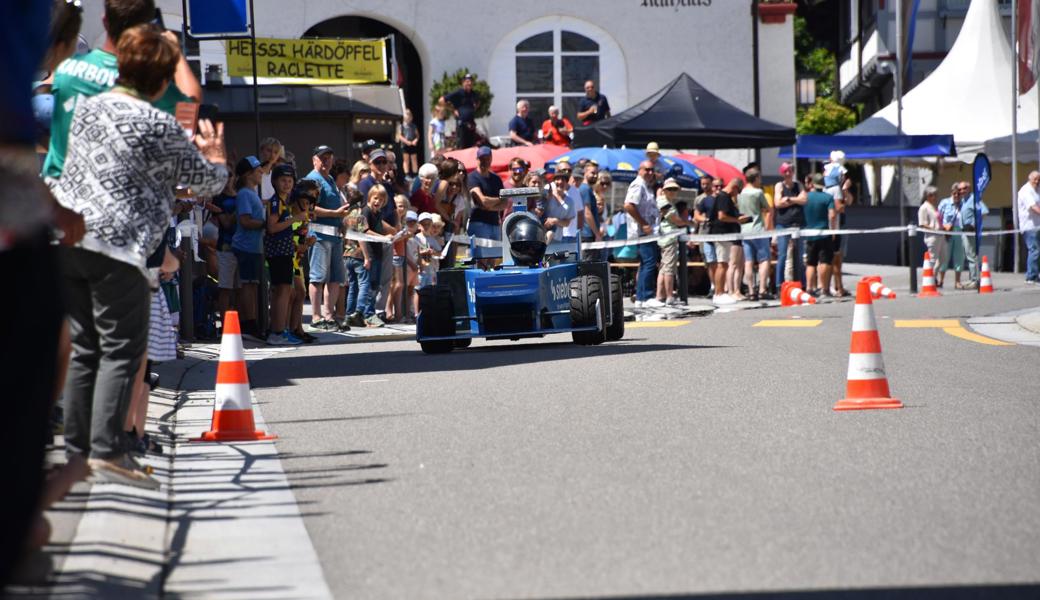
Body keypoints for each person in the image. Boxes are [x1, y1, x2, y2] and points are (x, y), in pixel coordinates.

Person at [51, 24, 227, 489]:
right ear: (161, 80)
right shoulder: (158, 123)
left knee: (87, 349)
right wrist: (216, 156)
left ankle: (79, 451)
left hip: (73, 238)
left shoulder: (88, 109)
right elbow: (208, 184)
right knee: (122, 351)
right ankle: (109, 450)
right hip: (123, 248)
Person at [42, 0, 201, 181]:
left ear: (105, 21)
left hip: (63, 194)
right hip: (121, 197)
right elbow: (191, 104)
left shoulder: (67, 71)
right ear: (148, 29)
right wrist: (175, 51)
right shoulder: (150, 84)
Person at [305, 145, 348, 329]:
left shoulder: (330, 178)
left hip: (335, 235)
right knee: (318, 277)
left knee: (335, 278)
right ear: (314, 160)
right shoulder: (312, 180)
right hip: (319, 235)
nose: (326, 161)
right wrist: (334, 213)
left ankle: (329, 316)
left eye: (329, 157)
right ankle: (316, 317)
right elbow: (309, 207)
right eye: (322, 158)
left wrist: (342, 222)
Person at [264, 164, 303, 345]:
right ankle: (277, 332)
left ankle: (280, 330)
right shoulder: (276, 202)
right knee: (282, 290)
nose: (287, 184)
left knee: (284, 290)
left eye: (290, 181)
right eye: (283, 180)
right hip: (278, 251)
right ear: (274, 181)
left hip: (284, 250)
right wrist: (295, 218)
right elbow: (272, 227)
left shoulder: (283, 201)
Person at [231, 156, 266, 340]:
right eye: (257, 170)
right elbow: (245, 220)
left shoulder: (251, 193)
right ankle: (248, 324)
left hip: (253, 247)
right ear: (247, 174)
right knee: (247, 285)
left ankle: (251, 323)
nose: (261, 173)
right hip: (246, 247)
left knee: (252, 285)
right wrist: (264, 224)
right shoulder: (245, 193)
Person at [356, 186, 396, 326]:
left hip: (378, 253)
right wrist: (383, 237)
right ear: (369, 197)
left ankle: (369, 313)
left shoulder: (378, 213)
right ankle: (367, 314)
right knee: (370, 286)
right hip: (370, 254)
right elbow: (363, 230)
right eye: (375, 198)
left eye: (381, 199)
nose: (378, 201)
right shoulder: (365, 211)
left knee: (375, 285)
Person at [624, 160, 659, 306]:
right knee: (649, 263)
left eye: (652, 170)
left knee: (647, 263)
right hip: (643, 232)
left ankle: (641, 297)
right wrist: (644, 224)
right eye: (647, 169)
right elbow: (628, 205)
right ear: (640, 170)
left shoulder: (646, 186)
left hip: (649, 231)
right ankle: (645, 297)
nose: (650, 172)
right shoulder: (638, 184)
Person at [467, 146, 506, 266]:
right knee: (481, 258)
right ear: (477, 159)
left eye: (487, 158)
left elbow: (504, 203)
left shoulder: (496, 179)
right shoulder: (472, 177)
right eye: (482, 158)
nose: (485, 161)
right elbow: (482, 200)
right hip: (479, 223)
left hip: (494, 223)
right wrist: (498, 200)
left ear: (491, 159)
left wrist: (490, 206)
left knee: (493, 258)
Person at [649, 178, 686, 307]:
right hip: (668, 238)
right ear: (664, 190)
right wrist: (687, 223)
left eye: (674, 189)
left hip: (664, 237)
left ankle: (660, 295)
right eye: (669, 189)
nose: (672, 191)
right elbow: (675, 220)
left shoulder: (663, 201)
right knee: (669, 268)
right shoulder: (665, 202)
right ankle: (670, 296)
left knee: (664, 268)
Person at [713, 178, 750, 304]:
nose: (737, 194)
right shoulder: (723, 197)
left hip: (727, 235)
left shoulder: (726, 198)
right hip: (721, 234)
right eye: (737, 191)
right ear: (734, 187)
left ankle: (720, 292)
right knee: (722, 264)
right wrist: (737, 220)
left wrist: (738, 216)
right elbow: (721, 216)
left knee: (724, 264)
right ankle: (718, 293)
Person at [738, 169, 773, 301]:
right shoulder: (758, 192)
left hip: (745, 229)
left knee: (748, 261)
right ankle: (762, 289)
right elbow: (766, 208)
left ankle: (751, 290)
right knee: (764, 260)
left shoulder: (741, 193)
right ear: (756, 178)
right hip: (757, 228)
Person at [772, 162, 806, 288]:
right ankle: (779, 285)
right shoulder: (779, 185)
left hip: (798, 224)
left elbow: (804, 200)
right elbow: (777, 203)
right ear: (782, 172)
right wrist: (796, 200)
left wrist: (789, 199)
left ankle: (802, 284)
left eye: (790, 171)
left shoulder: (799, 185)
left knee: (800, 255)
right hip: (783, 224)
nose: (788, 173)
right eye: (785, 171)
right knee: (782, 255)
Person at [803, 174, 837, 297]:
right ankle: (824, 288)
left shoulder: (806, 197)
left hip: (809, 234)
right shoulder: (828, 198)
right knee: (824, 261)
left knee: (810, 263)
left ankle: (809, 288)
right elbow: (832, 215)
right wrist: (833, 230)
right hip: (824, 233)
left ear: (812, 184)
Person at [937, 182, 968, 288]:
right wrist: (944, 226)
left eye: (958, 194)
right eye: (954, 193)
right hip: (947, 232)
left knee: (959, 257)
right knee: (944, 257)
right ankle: (941, 280)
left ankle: (957, 282)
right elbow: (938, 218)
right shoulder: (944, 203)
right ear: (951, 193)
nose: (956, 196)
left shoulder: (964, 204)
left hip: (959, 231)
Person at [959, 179, 989, 288]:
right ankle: (972, 278)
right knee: (969, 256)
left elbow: (984, 212)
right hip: (964, 231)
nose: (962, 191)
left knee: (972, 256)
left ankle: (975, 280)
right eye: (960, 189)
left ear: (969, 188)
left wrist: (973, 224)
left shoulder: (974, 199)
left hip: (971, 232)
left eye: (964, 188)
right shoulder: (963, 201)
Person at [543, 160, 580, 247]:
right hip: (542, 238)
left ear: (567, 183)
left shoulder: (569, 201)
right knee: (540, 261)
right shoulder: (547, 192)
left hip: (558, 240)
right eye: (557, 179)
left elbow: (567, 223)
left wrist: (555, 221)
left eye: (563, 180)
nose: (560, 182)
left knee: (555, 260)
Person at [917, 185, 948, 288]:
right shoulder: (924, 207)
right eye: (932, 195)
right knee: (932, 259)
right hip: (932, 237)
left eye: (935, 194)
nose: (935, 197)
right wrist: (933, 229)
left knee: (943, 258)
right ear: (928, 196)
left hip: (941, 235)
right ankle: (929, 279)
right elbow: (922, 223)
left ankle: (933, 275)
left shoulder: (934, 206)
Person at [440, 73, 480, 149]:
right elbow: (441, 100)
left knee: (471, 148)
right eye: (467, 81)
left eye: (471, 81)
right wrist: (453, 110)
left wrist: (472, 110)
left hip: (471, 125)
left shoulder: (474, 94)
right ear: (463, 82)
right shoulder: (458, 93)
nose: (470, 83)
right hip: (462, 125)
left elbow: (478, 102)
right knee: (462, 148)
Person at [694, 175, 718, 294]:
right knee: (708, 261)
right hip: (703, 233)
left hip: (716, 232)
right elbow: (696, 218)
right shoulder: (699, 199)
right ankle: (712, 285)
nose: (704, 186)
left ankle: (719, 285)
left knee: (717, 260)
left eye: (706, 184)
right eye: (702, 184)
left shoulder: (716, 197)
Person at [1018, 171, 1040, 284]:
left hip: (1037, 225)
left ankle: (1036, 274)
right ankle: (1031, 276)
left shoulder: (1037, 190)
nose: (1037, 181)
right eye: (1035, 179)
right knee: (1034, 250)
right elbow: (1033, 207)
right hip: (1029, 226)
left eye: (1038, 179)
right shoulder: (1025, 191)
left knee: (1037, 250)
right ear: (1029, 178)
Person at [579, 160, 605, 260]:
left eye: (596, 173)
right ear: (585, 172)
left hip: (589, 233)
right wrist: (597, 234)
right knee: (588, 265)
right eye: (592, 173)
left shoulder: (587, 188)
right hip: (587, 234)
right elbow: (587, 213)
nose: (595, 176)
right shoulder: (585, 189)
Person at [397, 108, 420, 178]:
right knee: (406, 159)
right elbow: (399, 136)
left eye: (409, 116)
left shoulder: (413, 126)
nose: (408, 118)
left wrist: (415, 140)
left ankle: (415, 173)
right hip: (405, 144)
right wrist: (406, 142)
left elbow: (417, 135)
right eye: (407, 116)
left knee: (414, 159)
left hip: (412, 144)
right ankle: (407, 174)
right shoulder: (401, 126)